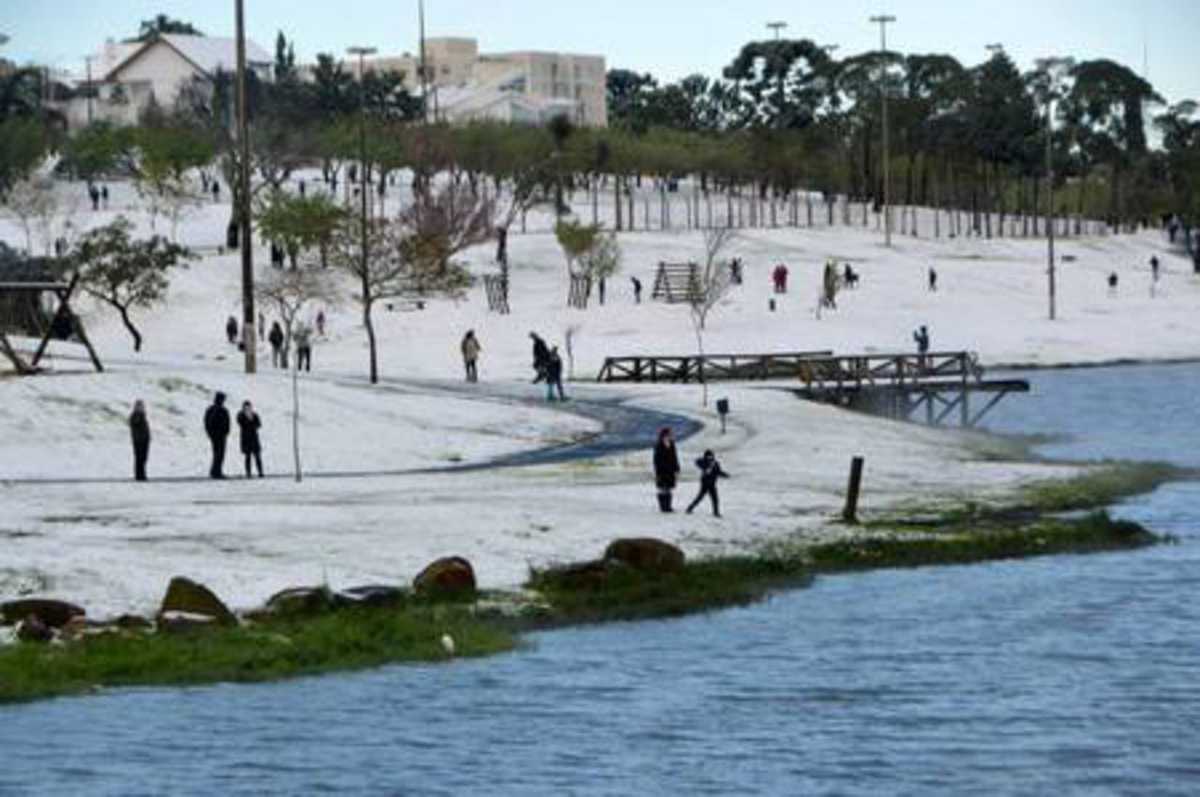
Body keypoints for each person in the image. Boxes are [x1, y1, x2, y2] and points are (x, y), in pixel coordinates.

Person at [686, 449, 730, 517]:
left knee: (715, 498)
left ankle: (716, 512)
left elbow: (718, 472)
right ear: (705, 456)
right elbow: (697, 462)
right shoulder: (704, 462)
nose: (710, 457)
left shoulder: (716, 463)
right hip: (705, 483)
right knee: (700, 497)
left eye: (711, 456)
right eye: (708, 456)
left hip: (712, 483)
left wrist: (725, 475)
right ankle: (690, 508)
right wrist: (706, 466)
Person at [652, 427, 681, 513]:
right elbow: (656, 460)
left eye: (670, 435)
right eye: (668, 435)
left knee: (668, 488)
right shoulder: (658, 445)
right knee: (663, 488)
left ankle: (668, 506)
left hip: (670, 470)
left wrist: (677, 468)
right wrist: (659, 469)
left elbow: (675, 457)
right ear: (663, 435)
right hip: (662, 470)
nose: (669, 436)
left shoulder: (672, 444)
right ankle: (663, 507)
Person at [204, 392, 231, 479]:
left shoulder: (214, 409)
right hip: (218, 436)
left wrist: (226, 432)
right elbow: (207, 423)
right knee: (219, 454)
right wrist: (211, 434)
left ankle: (216, 471)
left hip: (219, 435)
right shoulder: (216, 410)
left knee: (218, 454)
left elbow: (227, 423)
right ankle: (216, 472)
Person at [237, 401, 264, 478]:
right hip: (246, 438)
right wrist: (249, 421)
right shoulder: (241, 415)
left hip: (254, 438)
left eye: (249, 407)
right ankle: (248, 473)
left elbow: (259, 424)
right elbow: (241, 423)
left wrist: (252, 421)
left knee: (257, 456)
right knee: (248, 457)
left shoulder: (254, 415)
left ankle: (260, 472)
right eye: (246, 407)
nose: (248, 409)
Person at [129, 399, 150, 482]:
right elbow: (136, 426)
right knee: (139, 458)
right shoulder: (135, 416)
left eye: (141, 406)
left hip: (144, 440)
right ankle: (139, 476)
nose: (141, 408)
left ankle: (142, 475)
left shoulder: (142, 416)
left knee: (143, 458)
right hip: (138, 441)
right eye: (139, 406)